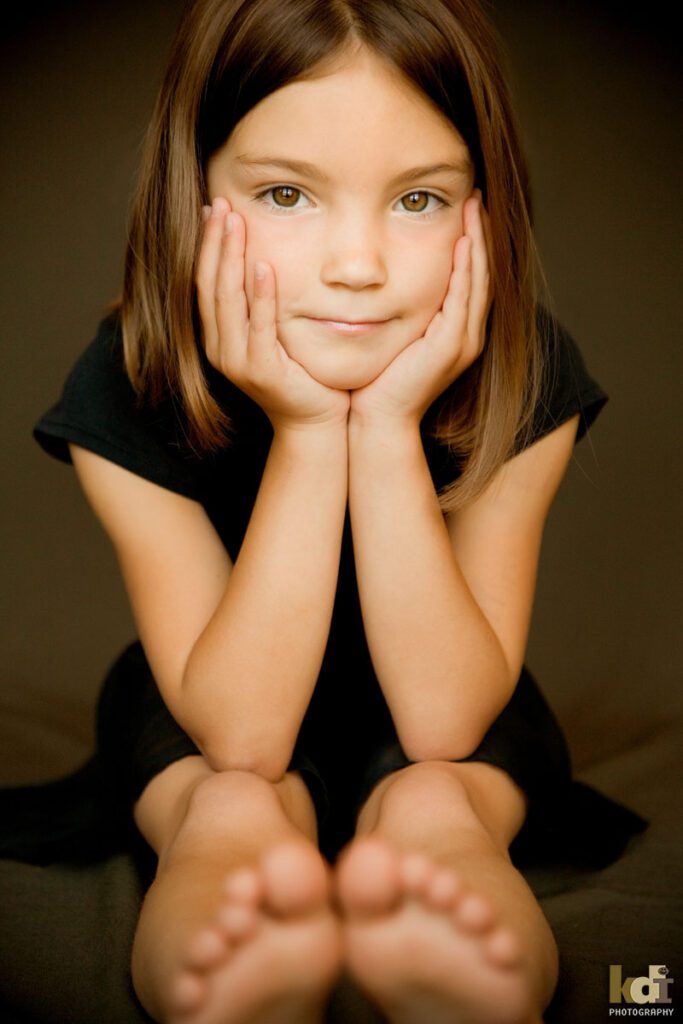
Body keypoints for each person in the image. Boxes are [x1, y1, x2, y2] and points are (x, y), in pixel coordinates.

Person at [8, 0, 648, 1021]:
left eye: (419, 201)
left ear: (485, 203)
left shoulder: (528, 371)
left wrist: (385, 424)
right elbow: (243, 736)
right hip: (214, 700)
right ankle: (239, 956)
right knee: (222, 801)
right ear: (195, 191)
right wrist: (308, 433)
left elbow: (443, 722)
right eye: (285, 194)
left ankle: (450, 947)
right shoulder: (125, 378)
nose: (358, 264)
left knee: (443, 795)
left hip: (456, 701)